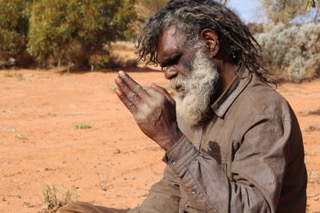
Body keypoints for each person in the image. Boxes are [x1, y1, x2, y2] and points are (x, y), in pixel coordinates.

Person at [58, 0, 307, 212]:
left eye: (174, 61)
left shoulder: (262, 112)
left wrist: (173, 141)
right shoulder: (198, 101)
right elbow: (174, 186)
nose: (167, 74)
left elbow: (253, 208)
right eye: (163, 66)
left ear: (209, 43)